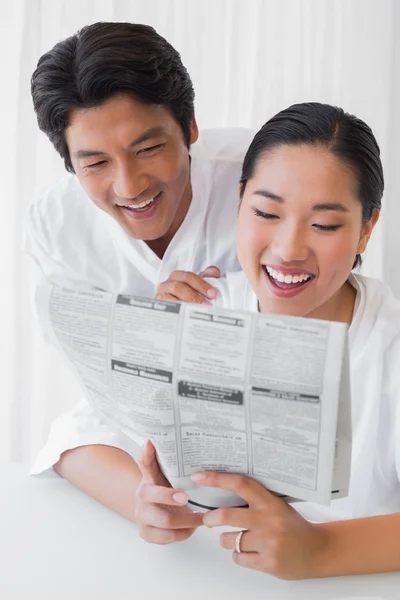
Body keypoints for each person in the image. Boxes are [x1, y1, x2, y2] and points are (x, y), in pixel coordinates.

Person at [26, 21, 253, 542]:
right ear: (69, 162)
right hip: (139, 422)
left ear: (189, 126)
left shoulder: (261, 177)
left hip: (255, 414)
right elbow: (97, 380)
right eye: (96, 163)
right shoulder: (55, 223)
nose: (129, 186)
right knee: (75, 443)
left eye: (148, 149)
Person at [158, 102, 400, 579]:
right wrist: (157, 502)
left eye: (326, 224)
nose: (289, 250)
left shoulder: (388, 348)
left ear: (366, 229)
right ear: (241, 199)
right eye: (267, 212)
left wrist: (322, 550)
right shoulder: (203, 310)